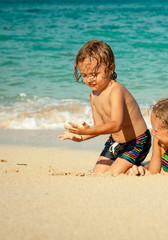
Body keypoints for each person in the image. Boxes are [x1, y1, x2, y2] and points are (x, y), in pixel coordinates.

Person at [58, 40, 151, 174]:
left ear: (110, 69)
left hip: (137, 142)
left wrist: (85, 131)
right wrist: (81, 137)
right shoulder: (93, 95)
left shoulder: (116, 91)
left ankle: (136, 167)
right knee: (98, 173)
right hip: (115, 142)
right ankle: (127, 165)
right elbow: (99, 126)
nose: (89, 79)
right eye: (84, 75)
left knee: (113, 174)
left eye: (94, 74)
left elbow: (115, 125)